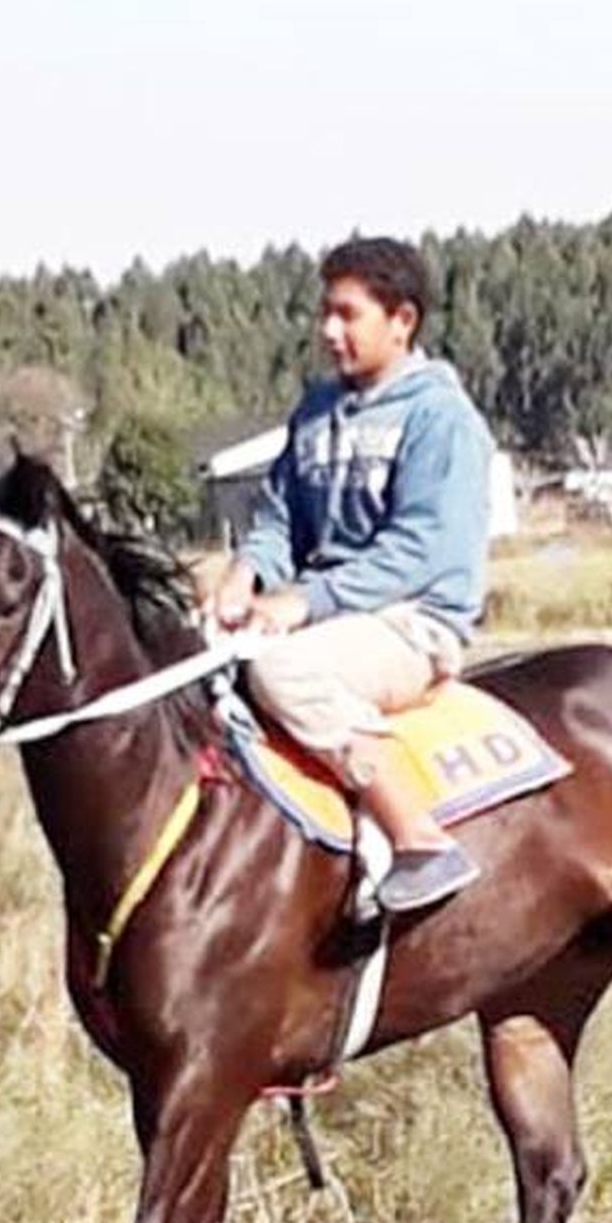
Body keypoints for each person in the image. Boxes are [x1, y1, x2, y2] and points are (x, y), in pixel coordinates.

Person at [206, 236, 494, 913]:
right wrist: (246, 575)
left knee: (284, 672)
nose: (328, 331)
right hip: (328, 613)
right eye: (324, 314)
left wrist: (307, 600)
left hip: (413, 620)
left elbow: (420, 547)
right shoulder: (314, 411)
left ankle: (417, 836)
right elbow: (281, 519)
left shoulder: (439, 417)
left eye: (347, 314)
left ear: (403, 321)